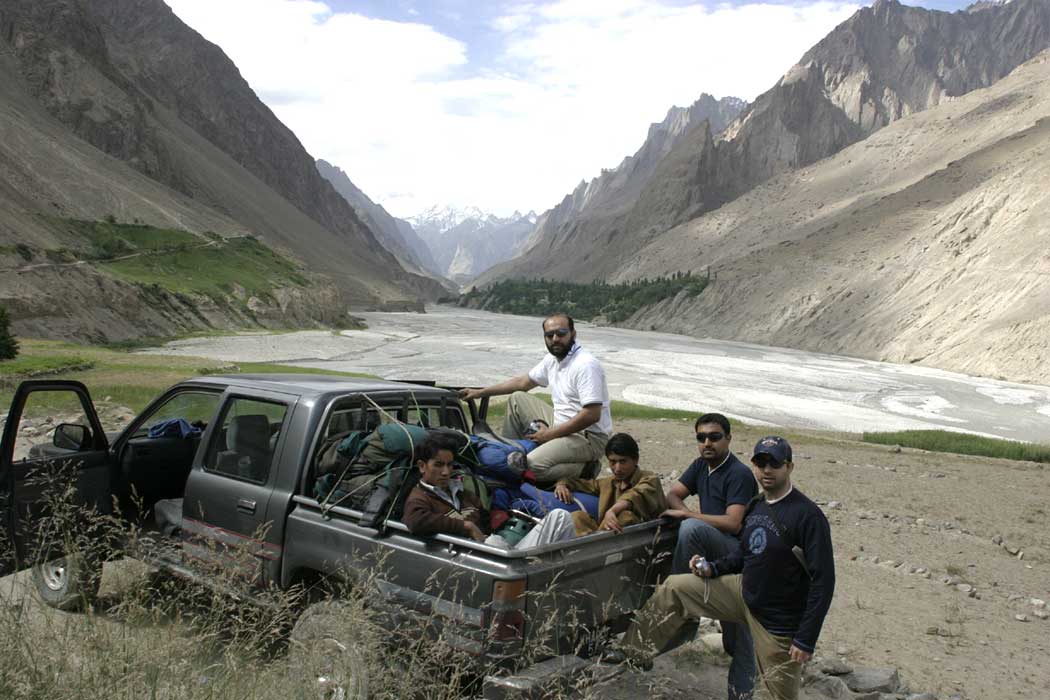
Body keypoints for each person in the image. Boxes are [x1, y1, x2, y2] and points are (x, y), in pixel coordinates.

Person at [608, 436, 836, 700]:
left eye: (774, 464)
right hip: (743, 592)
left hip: (777, 620)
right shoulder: (757, 504)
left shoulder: (808, 516)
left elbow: (824, 581)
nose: (767, 470)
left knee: (778, 695)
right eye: (761, 463)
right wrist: (712, 568)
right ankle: (633, 652)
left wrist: (806, 639)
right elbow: (744, 552)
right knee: (676, 588)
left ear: (789, 467)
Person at [662, 413, 758, 700]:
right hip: (716, 551)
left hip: (738, 553)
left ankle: (679, 599)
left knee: (741, 634)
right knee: (735, 635)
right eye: (701, 437)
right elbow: (672, 494)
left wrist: (687, 515)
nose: (707, 443)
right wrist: (683, 511)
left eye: (715, 437)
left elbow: (734, 523)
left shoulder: (739, 474)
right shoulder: (700, 466)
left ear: (728, 438)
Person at [460, 313, 612, 486]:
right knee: (517, 399)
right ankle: (509, 456)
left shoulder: (585, 365)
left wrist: (549, 434)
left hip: (589, 436)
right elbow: (522, 383)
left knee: (531, 466)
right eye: (549, 335)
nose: (555, 339)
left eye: (561, 333)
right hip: (561, 421)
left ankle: (585, 469)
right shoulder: (553, 360)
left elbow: (591, 415)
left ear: (573, 334)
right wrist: (480, 392)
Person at [404, 434, 576, 550]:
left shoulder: (463, 492)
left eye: (450, 465)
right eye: (438, 465)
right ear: (422, 466)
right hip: (473, 557)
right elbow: (416, 521)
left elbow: (486, 521)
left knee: (560, 516)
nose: (446, 472)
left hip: (496, 548)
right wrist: (467, 526)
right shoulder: (419, 497)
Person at [553, 433, 667, 536]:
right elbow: (580, 483)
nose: (617, 468)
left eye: (623, 462)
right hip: (606, 533)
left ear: (635, 460)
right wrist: (562, 485)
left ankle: (595, 544)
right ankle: (592, 545)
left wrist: (612, 511)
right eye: (613, 462)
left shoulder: (650, 479)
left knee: (625, 517)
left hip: (647, 535)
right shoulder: (608, 483)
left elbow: (634, 496)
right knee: (577, 517)